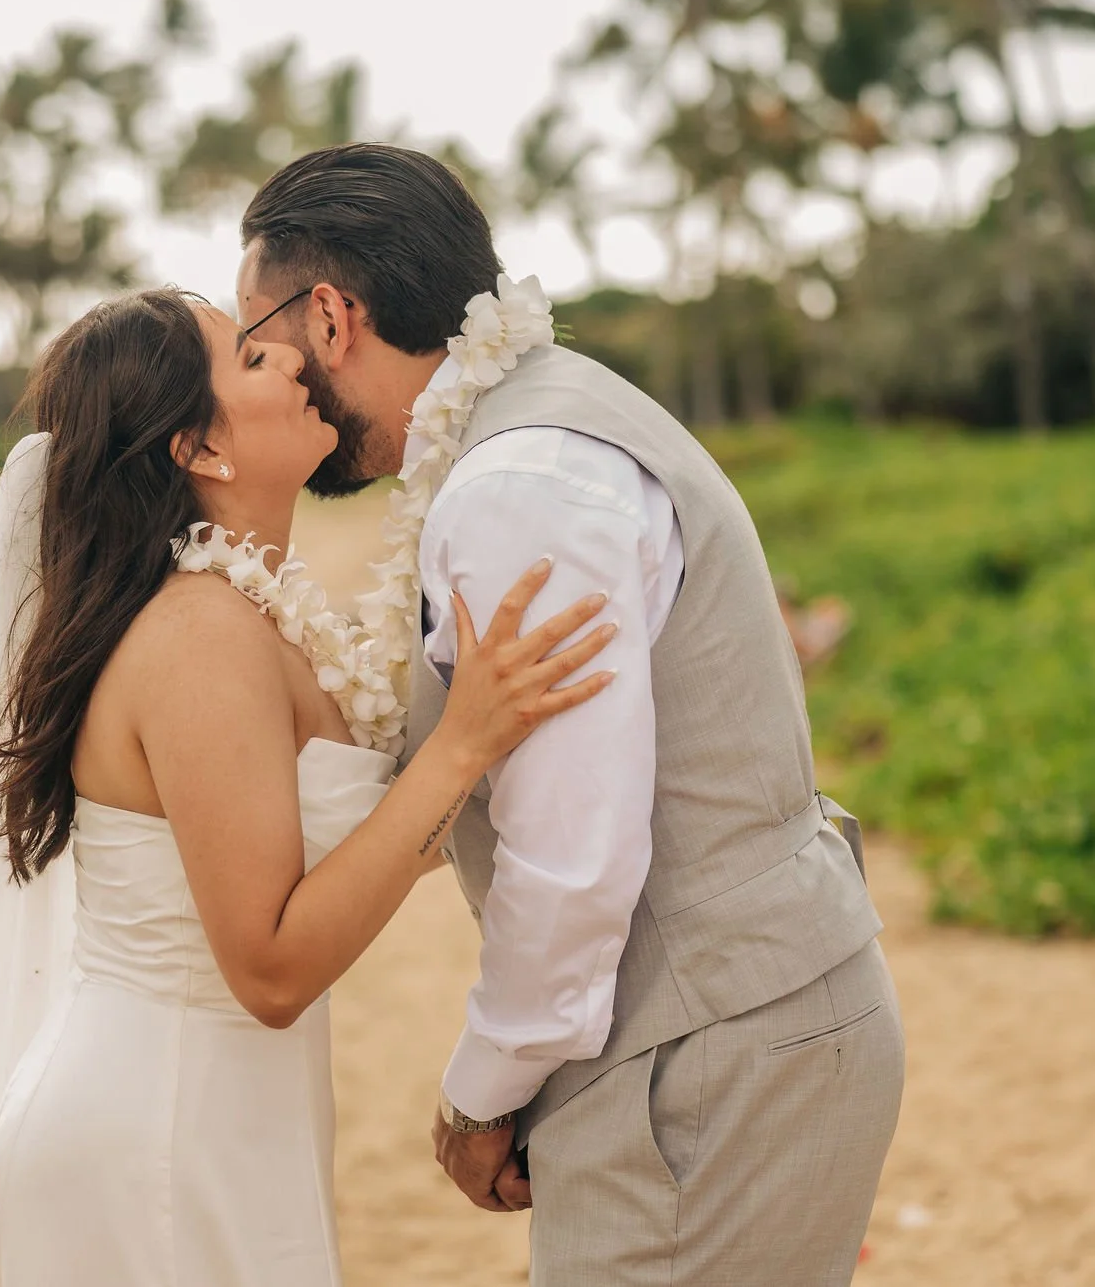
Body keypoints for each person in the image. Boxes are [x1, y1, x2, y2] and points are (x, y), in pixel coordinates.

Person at [236, 143, 905, 1284]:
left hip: (706, 1057)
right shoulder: (546, 429)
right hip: (742, 1020)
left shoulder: (516, 486)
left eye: (261, 340)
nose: (264, 371)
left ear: (332, 317)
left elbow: (573, 854)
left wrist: (482, 1087)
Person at [0, 287, 616, 1287]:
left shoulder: (250, 617)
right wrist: (458, 747)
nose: (289, 362)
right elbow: (272, 970)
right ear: (195, 452)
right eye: (248, 362)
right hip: (154, 1128)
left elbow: (346, 863)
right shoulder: (199, 636)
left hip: (224, 1114)